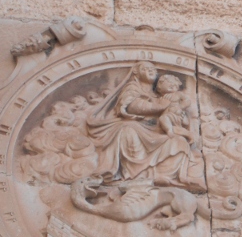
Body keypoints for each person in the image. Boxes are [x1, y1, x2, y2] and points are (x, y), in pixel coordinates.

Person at [87, 62, 205, 191]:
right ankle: (133, 174)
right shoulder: (133, 88)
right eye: (145, 69)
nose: (151, 71)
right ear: (136, 73)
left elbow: (179, 111)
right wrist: (157, 107)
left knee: (179, 142)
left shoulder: (163, 96)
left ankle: (163, 176)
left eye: (153, 69)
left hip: (158, 130)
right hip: (138, 126)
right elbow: (131, 106)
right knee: (127, 129)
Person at [155, 74, 193, 141]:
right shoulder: (160, 98)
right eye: (169, 83)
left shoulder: (178, 94)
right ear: (160, 86)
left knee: (185, 122)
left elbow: (187, 101)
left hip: (178, 114)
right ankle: (169, 130)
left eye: (175, 85)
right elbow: (157, 108)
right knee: (162, 118)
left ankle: (183, 130)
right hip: (168, 115)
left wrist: (181, 107)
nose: (173, 86)